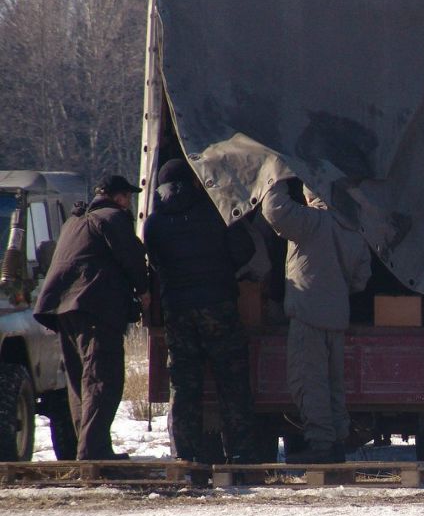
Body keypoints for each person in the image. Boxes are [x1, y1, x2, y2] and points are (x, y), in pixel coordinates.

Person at [143, 159, 259, 464]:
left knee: (183, 385)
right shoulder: (216, 212)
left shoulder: (153, 223)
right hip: (218, 306)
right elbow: (245, 250)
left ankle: (187, 457)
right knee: (232, 382)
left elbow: (154, 263)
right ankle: (241, 454)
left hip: (178, 311)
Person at [33, 175, 149, 460]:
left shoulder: (74, 221)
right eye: (127, 196)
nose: (129, 202)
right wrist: (145, 291)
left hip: (63, 309)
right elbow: (132, 257)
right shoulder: (112, 218)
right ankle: (94, 453)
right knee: (102, 379)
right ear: (118, 197)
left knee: (79, 381)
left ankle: (87, 449)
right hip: (94, 307)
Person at [262, 177, 371, 463]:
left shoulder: (312, 222)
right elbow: (361, 280)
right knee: (334, 383)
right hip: (337, 316)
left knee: (309, 383)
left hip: (308, 313)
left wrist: (276, 178)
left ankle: (321, 445)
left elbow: (274, 210)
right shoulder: (354, 230)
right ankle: (337, 440)